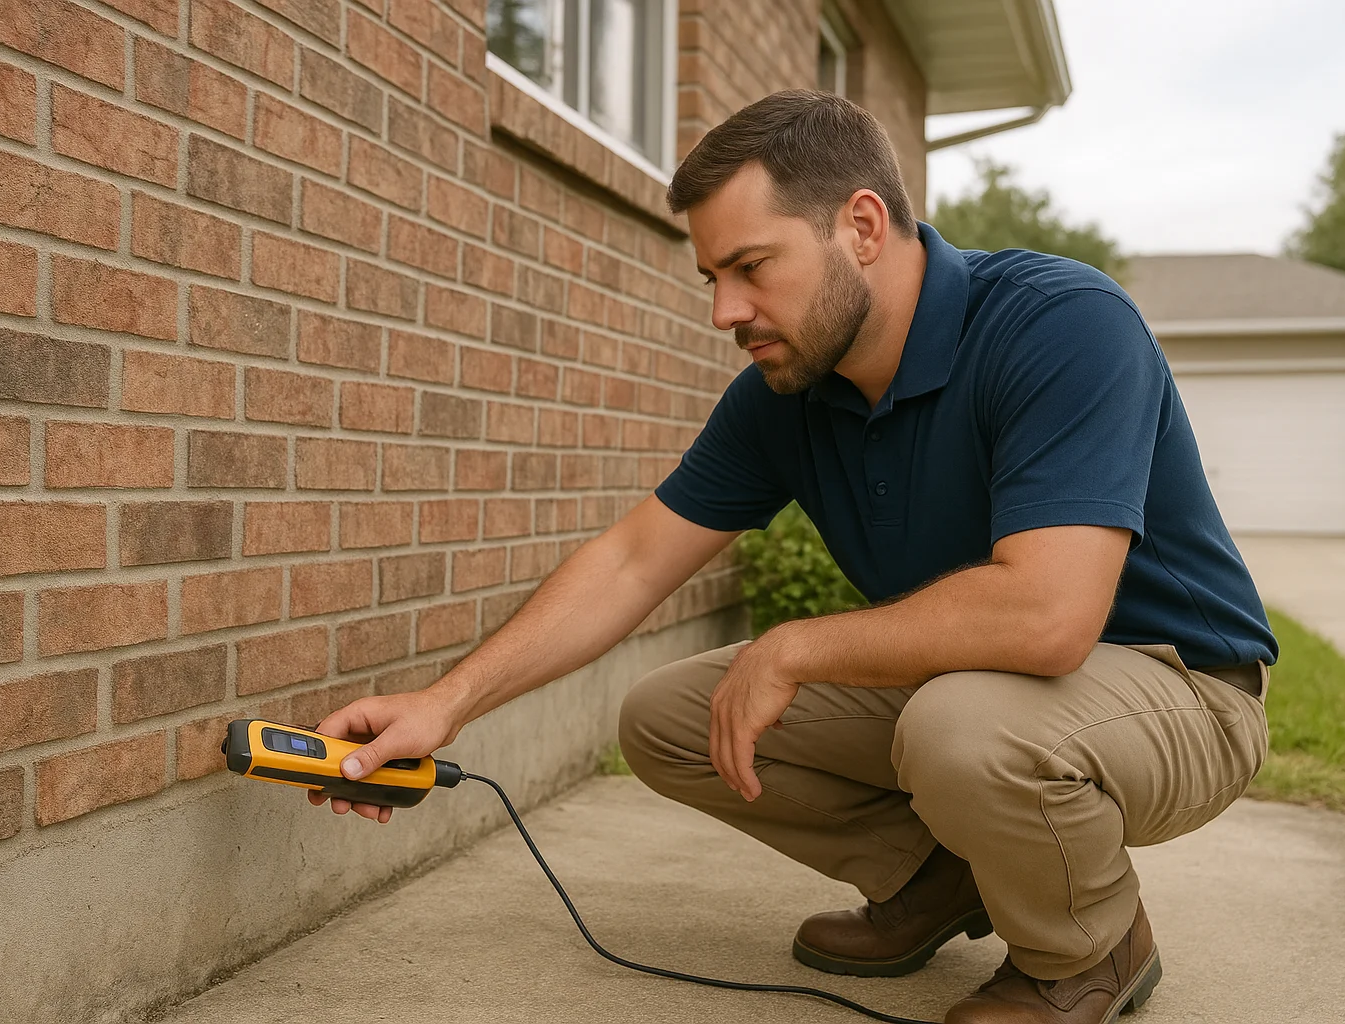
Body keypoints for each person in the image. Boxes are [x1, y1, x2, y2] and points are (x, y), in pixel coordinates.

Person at [308, 90, 1277, 1024]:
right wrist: (444, 704)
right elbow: (634, 561)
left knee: (959, 729)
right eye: (712, 278)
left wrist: (797, 647)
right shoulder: (789, 392)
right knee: (670, 718)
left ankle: (1091, 947)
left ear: (861, 226)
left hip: (1180, 686)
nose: (726, 310)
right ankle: (938, 878)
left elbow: (1050, 615)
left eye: (751, 267)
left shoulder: (1059, 325)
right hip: (985, 685)